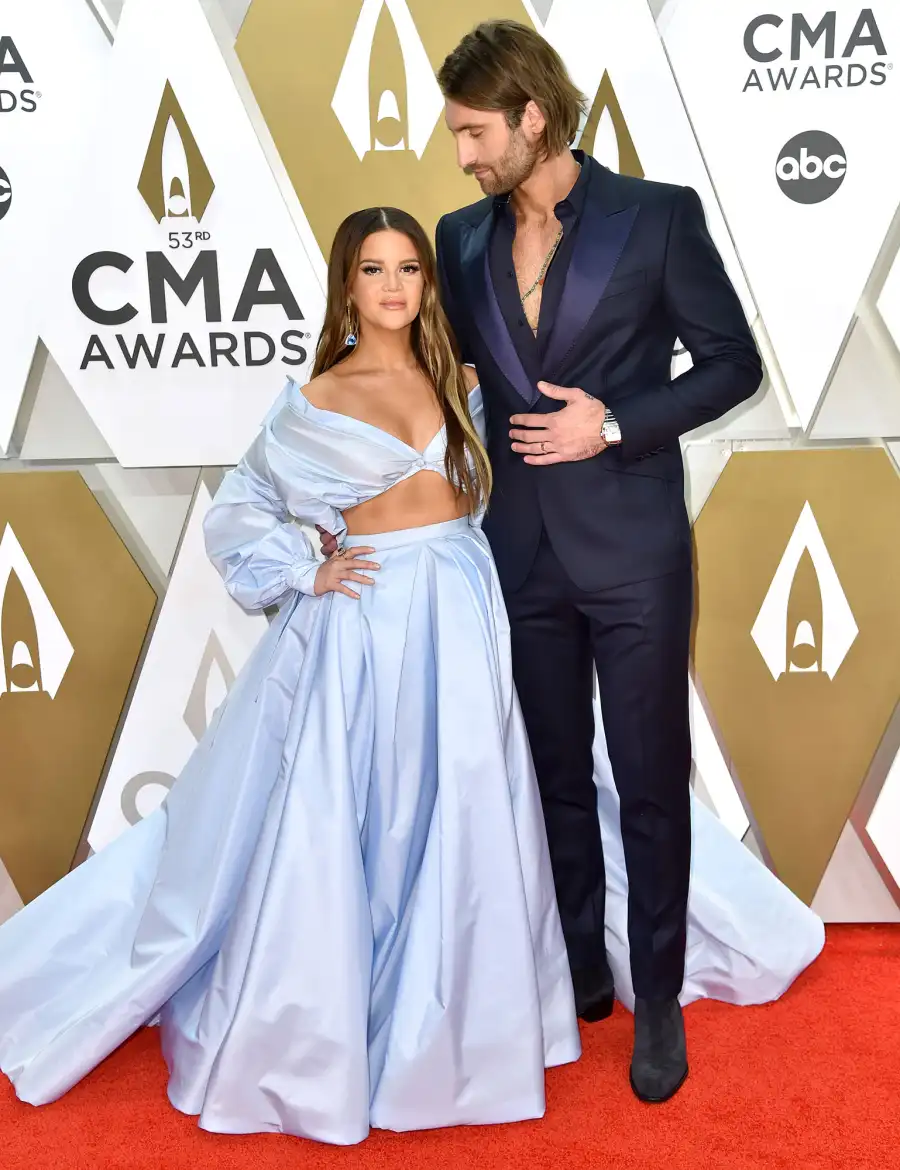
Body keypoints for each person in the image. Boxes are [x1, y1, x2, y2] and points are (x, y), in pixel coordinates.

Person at [0, 207, 581, 1145]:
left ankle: (464, 1023)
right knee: (371, 810)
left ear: (428, 283)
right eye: (373, 269)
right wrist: (306, 571)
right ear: (346, 284)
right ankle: (337, 1023)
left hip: (462, 609)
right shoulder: (314, 400)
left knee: (467, 802)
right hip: (368, 622)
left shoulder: (463, 381)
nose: (393, 286)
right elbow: (238, 511)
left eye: (409, 269)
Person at [431, 20, 816, 1102]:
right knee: (552, 775)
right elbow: (461, 380)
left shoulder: (656, 216)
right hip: (519, 551)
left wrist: (610, 424)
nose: (461, 156)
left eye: (474, 132)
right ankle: (581, 971)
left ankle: (659, 998)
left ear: (532, 116)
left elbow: (732, 364)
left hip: (635, 551)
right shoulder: (459, 239)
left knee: (648, 781)